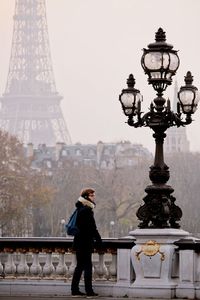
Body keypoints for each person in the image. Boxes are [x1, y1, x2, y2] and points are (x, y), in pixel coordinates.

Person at [71, 188, 102, 298]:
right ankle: (89, 292)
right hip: (85, 242)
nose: (94, 197)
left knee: (79, 266)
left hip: (79, 242)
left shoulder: (80, 208)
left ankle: (74, 290)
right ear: (86, 197)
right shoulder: (86, 210)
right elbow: (92, 228)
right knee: (87, 266)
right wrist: (99, 241)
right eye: (91, 195)